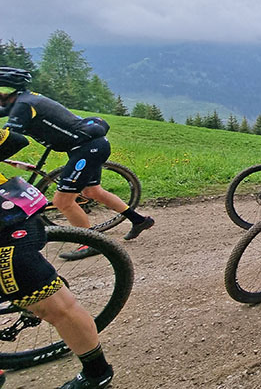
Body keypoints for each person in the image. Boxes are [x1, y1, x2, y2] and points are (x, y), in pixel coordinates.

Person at [0, 68, 153, 259]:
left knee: (62, 201)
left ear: (7, 90)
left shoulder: (22, 106)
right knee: (92, 192)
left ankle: (90, 243)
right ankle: (139, 221)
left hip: (86, 149)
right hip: (90, 145)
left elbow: (11, 140)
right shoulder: (23, 99)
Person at [0, 157, 114, 388]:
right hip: (17, 202)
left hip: (9, 226)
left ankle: (97, 373)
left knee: (58, 308)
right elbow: (14, 140)